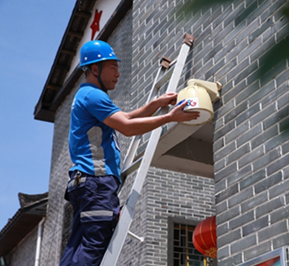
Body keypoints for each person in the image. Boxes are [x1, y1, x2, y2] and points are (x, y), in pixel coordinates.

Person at [60, 40, 199, 266]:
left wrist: (155, 104)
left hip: (83, 183)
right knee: (94, 247)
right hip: (96, 183)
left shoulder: (86, 95)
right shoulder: (93, 95)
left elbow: (126, 117)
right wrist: (169, 117)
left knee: (77, 246)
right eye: (113, 66)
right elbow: (126, 126)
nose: (118, 73)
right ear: (95, 69)